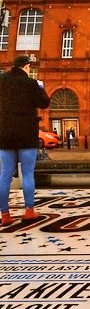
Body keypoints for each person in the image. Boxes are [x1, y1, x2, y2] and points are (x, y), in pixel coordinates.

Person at [0, 55, 50, 225]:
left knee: (5, 174)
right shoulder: (31, 83)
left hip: (5, 133)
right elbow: (44, 103)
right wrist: (40, 88)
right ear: (27, 67)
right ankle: (29, 210)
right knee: (28, 173)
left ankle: (5, 214)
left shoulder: (2, 81)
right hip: (26, 134)